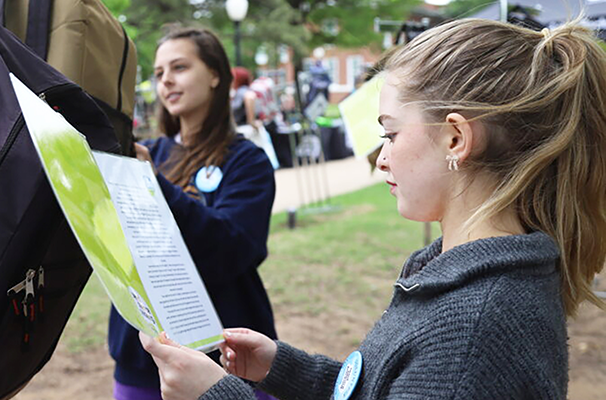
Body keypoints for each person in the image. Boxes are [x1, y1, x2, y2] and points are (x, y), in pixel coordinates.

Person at [140, 18, 606, 399]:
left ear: (456, 138)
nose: (381, 158)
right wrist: (286, 368)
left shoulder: (473, 330)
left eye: (390, 134)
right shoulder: (458, 275)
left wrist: (217, 395)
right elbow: (390, 385)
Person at [108, 27, 278, 400]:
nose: (166, 79)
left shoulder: (246, 160)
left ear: (216, 74)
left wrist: (156, 186)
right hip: (142, 359)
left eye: (180, 66)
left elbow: (234, 247)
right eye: (158, 73)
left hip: (226, 360)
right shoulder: (143, 153)